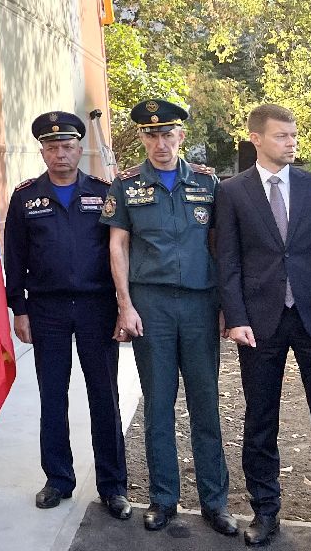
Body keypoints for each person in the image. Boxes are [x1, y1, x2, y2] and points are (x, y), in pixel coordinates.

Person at [216, 104, 311, 548]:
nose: (291, 142)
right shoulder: (232, 192)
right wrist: (236, 318)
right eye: (282, 136)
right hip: (260, 323)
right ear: (256, 139)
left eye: (294, 135)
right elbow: (228, 261)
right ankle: (265, 511)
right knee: (260, 420)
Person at [100, 98, 236, 537]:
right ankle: (163, 499)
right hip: (151, 305)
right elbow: (118, 246)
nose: (160, 143)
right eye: (151, 135)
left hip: (199, 304)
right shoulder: (126, 186)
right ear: (143, 138)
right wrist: (125, 304)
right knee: (158, 404)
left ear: (181, 136)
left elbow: (220, 246)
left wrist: (226, 307)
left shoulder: (208, 183)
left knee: (205, 404)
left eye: (167, 134)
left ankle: (215, 502)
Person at [3, 111, 129, 520]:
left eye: (69, 147)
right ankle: (58, 479)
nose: (61, 154)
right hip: (47, 310)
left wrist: (123, 306)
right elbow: (14, 257)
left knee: (104, 396)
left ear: (80, 149)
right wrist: (19, 309)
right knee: (53, 395)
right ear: (42, 152)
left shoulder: (104, 192)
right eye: (53, 147)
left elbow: (121, 250)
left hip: (97, 308)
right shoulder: (26, 197)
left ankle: (113, 485)